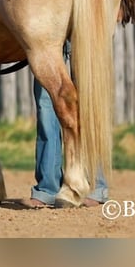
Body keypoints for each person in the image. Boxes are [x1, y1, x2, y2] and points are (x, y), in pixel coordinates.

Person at [25, 41, 109, 208]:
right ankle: (48, 186)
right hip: (47, 32)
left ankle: (95, 184)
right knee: (46, 102)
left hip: (84, 24)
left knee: (88, 99)